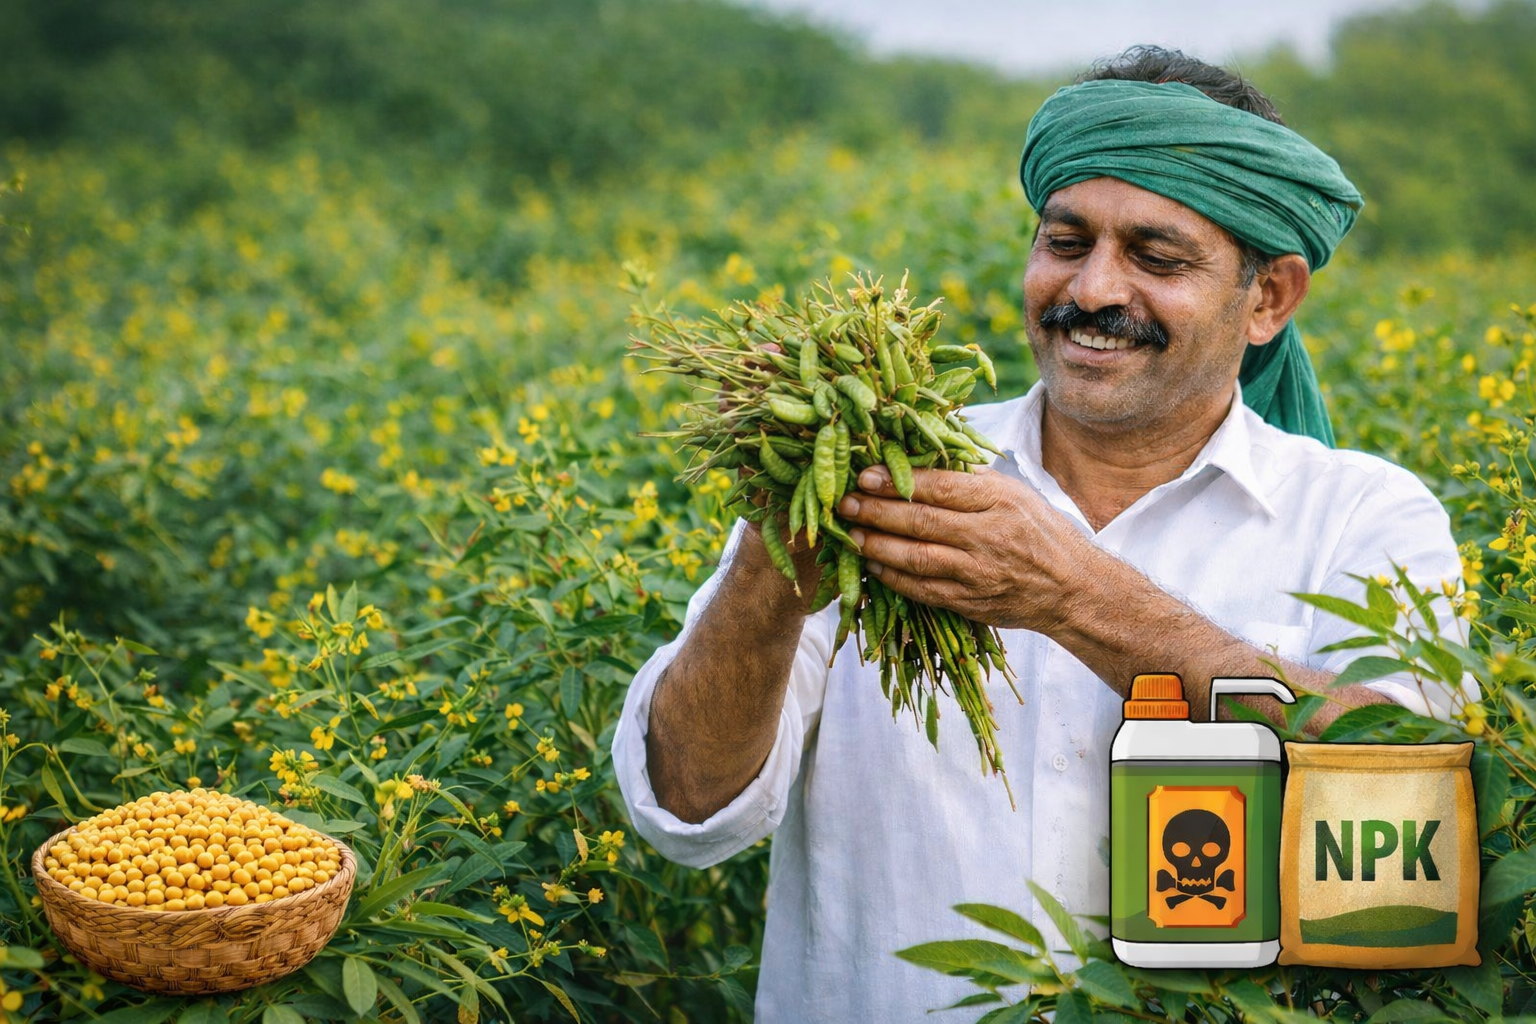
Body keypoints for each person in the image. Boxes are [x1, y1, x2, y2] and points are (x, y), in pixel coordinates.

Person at [611, 46, 1479, 1023]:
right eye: (1066, 242)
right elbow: (684, 812)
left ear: (1268, 297)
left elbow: (1413, 817)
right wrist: (772, 573)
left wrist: (1074, 594)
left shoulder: (1363, 517)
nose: (1095, 290)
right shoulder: (896, 482)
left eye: (1156, 257)